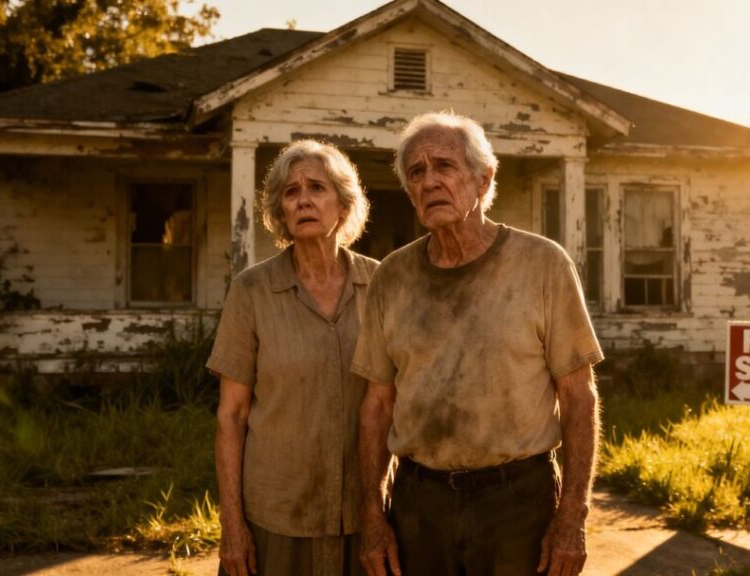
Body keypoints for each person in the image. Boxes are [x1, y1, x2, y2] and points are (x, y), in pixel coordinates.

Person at [352, 112, 603, 576]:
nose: (430, 181)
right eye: (416, 172)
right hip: (418, 504)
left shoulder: (543, 264)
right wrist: (371, 514)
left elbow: (578, 397)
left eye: (444, 166)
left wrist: (572, 516)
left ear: (483, 179)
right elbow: (377, 405)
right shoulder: (391, 277)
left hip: (517, 504)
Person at [208, 140, 377, 576]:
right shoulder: (251, 291)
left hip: (364, 515)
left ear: (343, 205)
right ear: (280, 212)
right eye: (290, 191)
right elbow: (232, 415)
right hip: (276, 518)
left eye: (317, 188)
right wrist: (232, 526)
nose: (303, 200)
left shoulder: (381, 285)